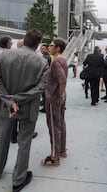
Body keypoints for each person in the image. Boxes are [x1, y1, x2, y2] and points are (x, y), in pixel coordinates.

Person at [0, 29, 48, 192]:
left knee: (1, 139)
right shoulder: (42, 62)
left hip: (5, 106)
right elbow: (41, 87)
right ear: (37, 44)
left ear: (24, 40)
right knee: (24, 143)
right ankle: (18, 179)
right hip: (28, 107)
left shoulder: (4, 55)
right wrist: (19, 98)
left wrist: (10, 100)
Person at [41, 38, 68, 166]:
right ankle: (62, 150)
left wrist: (60, 95)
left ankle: (54, 156)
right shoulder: (63, 59)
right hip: (60, 96)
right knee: (61, 123)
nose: (49, 47)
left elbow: (62, 80)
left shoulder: (56, 61)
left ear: (57, 48)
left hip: (54, 97)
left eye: (51, 46)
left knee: (53, 126)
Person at [39, 43, 52, 113]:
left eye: (43, 48)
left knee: (44, 93)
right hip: (46, 77)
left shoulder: (45, 57)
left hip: (45, 77)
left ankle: (45, 107)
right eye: (41, 48)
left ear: (47, 49)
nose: (41, 50)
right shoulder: (46, 56)